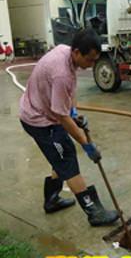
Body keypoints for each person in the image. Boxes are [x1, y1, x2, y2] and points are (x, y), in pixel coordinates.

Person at [19, 28, 119, 226]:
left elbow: (69, 91)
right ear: (76, 53)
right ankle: (93, 212)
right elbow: (61, 116)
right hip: (39, 120)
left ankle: (52, 200)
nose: (91, 65)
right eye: (89, 60)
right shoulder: (61, 73)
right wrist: (86, 144)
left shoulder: (66, 52)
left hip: (46, 111)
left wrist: (74, 111)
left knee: (61, 155)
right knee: (66, 158)